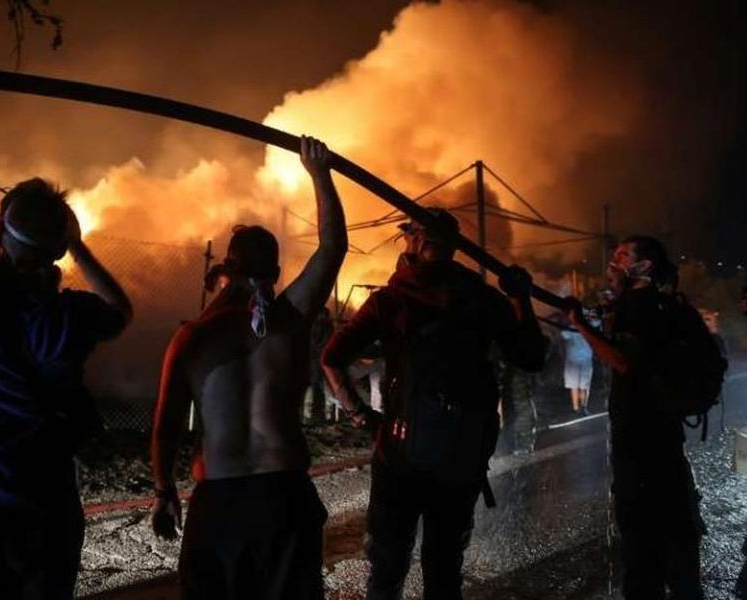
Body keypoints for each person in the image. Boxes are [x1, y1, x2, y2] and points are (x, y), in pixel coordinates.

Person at [0, 62, 132, 599]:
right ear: (57, 249)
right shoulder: (66, 319)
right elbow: (119, 308)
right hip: (44, 509)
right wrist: (79, 244)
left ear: (2, 225)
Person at [150, 136, 347, 599]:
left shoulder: (192, 336)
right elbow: (333, 246)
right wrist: (319, 173)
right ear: (277, 273)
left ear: (227, 266)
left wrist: (164, 491)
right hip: (282, 496)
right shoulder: (291, 319)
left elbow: (166, 428)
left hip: (220, 501)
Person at [321, 209, 545, 600]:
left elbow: (331, 358)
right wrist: (520, 299)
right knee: (443, 573)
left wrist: (364, 419)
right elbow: (531, 356)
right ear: (454, 246)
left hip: (398, 453)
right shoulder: (483, 299)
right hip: (462, 458)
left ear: (413, 240)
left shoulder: (389, 301)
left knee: (386, 573)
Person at [567, 235, 705, 599]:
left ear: (643, 267)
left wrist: (581, 326)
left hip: (639, 442)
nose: (613, 263)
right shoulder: (666, 306)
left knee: (642, 546)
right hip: (666, 436)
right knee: (676, 534)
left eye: (622, 256)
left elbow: (622, 360)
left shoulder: (638, 305)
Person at [560, 317, 594, 415]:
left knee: (579, 385)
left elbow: (563, 335)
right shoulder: (586, 327)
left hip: (579, 359)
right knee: (579, 385)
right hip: (576, 360)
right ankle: (580, 408)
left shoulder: (573, 328)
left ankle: (579, 408)